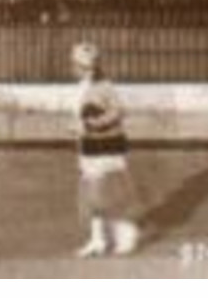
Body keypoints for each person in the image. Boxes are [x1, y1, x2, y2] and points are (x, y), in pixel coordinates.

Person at [71, 42, 142, 257]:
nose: (73, 69)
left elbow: (118, 112)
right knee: (92, 195)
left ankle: (127, 234)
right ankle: (97, 240)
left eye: (76, 65)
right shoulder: (82, 86)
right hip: (89, 145)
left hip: (107, 145)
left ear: (88, 67)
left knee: (108, 193)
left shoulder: (104, 86)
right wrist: (78, 127)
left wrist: (93, 124)